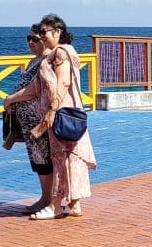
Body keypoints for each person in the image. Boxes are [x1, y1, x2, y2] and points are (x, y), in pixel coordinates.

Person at [9, 14, 97, 220]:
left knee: (60, 157)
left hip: (61, 113)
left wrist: (52, 110)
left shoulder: (61, 53)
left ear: (57, 32)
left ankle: (55, 206)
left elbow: (63, 82)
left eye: (43, 33)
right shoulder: (59, 53)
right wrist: (13, 99)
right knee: (70, 156)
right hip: (67, 112)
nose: (40, 37)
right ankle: (73, 204)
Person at [2, 24, 53, 215]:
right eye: (28, 38)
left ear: (45, 39)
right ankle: (44, 197)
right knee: (37, 159)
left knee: (44, 159)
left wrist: (11, 99)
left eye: (35, 39)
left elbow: (36, 89)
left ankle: (49, 199)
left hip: (38, 119)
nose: (30, 42)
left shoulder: (47, 61)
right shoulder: (34, 60)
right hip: (27, 121)